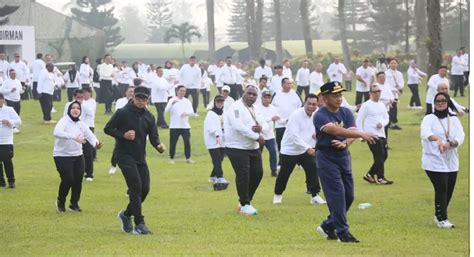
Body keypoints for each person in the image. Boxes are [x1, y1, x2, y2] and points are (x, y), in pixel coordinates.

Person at [314, 82, 378, 243]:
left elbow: (352, 131)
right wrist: (361, 134)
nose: (339, 98)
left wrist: (346, 143)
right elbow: (333, 130)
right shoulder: (320, 115)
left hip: (343, 156)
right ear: (325, 97)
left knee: (348, 196)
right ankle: (343, 233)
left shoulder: (345, 112)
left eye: (340, 95)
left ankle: (328, 225)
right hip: (326, 157)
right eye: (335, 95)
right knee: (337, 195)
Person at [104, 86, 165, 235]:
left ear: (148, 100)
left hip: (139, 156)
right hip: (124, 155)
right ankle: (139, 223)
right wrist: (123, 135)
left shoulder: (149, 116)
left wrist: (158, 145)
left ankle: (126, 215)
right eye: (138, 98)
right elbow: (108, 128)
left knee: (145, 189)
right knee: (136, 187)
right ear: (133, 97)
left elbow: (153, 137)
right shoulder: (122, 113)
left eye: (144, 99)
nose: (140, 101)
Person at [420, 92, 464, 229]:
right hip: (433, 159)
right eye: (437, 101)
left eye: (443, 101)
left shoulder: (454, 119)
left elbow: (461, 135)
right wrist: (437, 139)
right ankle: (442, 219)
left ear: (447, 102)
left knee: (449, 189)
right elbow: (424, 133)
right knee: (442, 187)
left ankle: (439, 213)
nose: (440, 103)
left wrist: (451, 144)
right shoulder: (429, 118)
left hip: (451, 159)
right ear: (434, 103)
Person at [273, 94, 326, 205]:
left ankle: (315, 195)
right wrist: (307, 148)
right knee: (284, 173)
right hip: (290, 149)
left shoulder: (316, 114)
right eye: (309, 104)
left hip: (305, 149)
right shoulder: (296, 115)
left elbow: (316, 130)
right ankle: (278, 194)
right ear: (304, 103)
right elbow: (294, 135)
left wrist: (316, 136)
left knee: (312, 170)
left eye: (314, 104)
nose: (311, 106)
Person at [224, 85, 266, 215]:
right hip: (237, 146)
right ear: (244, 93)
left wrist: (261, 128)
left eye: (254, 95)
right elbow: (238, 126)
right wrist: (256, 136)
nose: (251, 96)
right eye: (249, 93)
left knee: (258, 173)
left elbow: (264, 122)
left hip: (253, 147)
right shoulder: (236, 107)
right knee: (244, 175)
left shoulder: (256, 108)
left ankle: (245, 201)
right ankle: (245, 204)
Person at [53, 101, 101, 212]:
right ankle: (61, 201)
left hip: (78, 155)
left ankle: (74, 204)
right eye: (73, 108)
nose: (75, 110)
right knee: (68, 179)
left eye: (78, 108)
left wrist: (96, 144)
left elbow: (90, 136)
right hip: (62, 155)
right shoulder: (64, 121)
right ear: (69, 110)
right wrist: (73, 137)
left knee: (78, 180)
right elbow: (57, 132)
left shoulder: (81, 124)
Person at [356, 84, 392, 185]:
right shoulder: (366, 105)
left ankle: (370, 174)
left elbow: (387, 118)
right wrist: (361, 135)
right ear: (370, 93)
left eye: (378, 91)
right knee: (379, 155)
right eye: (374, 92)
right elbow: (359, 120)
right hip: (371, 134)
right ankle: (380, 178)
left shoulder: (381, 104)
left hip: (382, 134)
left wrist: (383, 124)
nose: (377, 93)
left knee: (384, 155)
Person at [271, 77, 302, 164]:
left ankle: (299, 161)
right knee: (280, 143)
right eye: (287, 84)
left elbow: (301, 106)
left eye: (290, 83)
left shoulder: (295, 93)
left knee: (296, 141)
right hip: (280, 124)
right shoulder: (276, 94)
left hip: (293, 123)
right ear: (282, 85)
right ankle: (281, 162)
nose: (290, 85)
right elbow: (271, 107)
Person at [108, 85, 135, 175]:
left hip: (134, 128)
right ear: (126, 92)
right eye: (130, 91)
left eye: (133, 92)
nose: (131, 93)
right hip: (121, 128)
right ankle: (113, 165)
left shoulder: (138, 102)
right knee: (118, 147)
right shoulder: (120, 101)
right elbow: (117, 114)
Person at [165, 85, 195, 164]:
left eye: (184, 91)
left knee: (187, 142)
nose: (182, 92)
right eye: (181, 90)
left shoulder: (187, 101)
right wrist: (172, 104)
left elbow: (192, 112)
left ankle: (188, 158)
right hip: (174, 126)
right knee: (173, 142)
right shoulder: (172, 99)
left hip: (185, 126)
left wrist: (186, 113)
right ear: (177, 91)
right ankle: (171, 158)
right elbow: (166, 110)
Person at [204, 95, 229, 190]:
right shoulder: (211, 113)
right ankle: (220, 177)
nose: (220, 104)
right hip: (213, 140)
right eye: (218, 102)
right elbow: (210, 127)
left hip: (222, 140)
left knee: (220, 158)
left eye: (221, 102)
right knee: (217, 159)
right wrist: (216, 134)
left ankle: (213, 176)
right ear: (215, 102)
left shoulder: (224, 113)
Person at [0, 94, 21, 188]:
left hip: (6, 141)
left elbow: (19, 121)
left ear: (3, 100)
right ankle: (1, 181)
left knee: (7, 160)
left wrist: (9, 122)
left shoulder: (9, 109)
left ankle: (11, 180)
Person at [257, 89, 279, 177]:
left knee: (273, 152)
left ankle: (274, 170)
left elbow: (278, 118)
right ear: (262, 98)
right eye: (265, 97)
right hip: (260, 135)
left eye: (269, 97)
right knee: (258, 154)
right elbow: (259, 120)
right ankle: (257, 170)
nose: (267, 99)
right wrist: (271, 118)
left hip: (270, 134)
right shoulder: (257, 107)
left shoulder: (273, 108)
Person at [384, 58, 404, 130]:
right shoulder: (386, 73)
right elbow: (387, 84)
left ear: (397, 64)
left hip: (396, 93)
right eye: (391, 63)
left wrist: (399, 87)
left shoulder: (399, 73)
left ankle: (393, 122)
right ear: (389, 64)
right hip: (389, 93)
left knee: (394, 108)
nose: (393, 64)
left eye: (394, 63)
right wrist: (395, 89)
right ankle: (390, 122)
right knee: (390, 108)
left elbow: (401, 82)